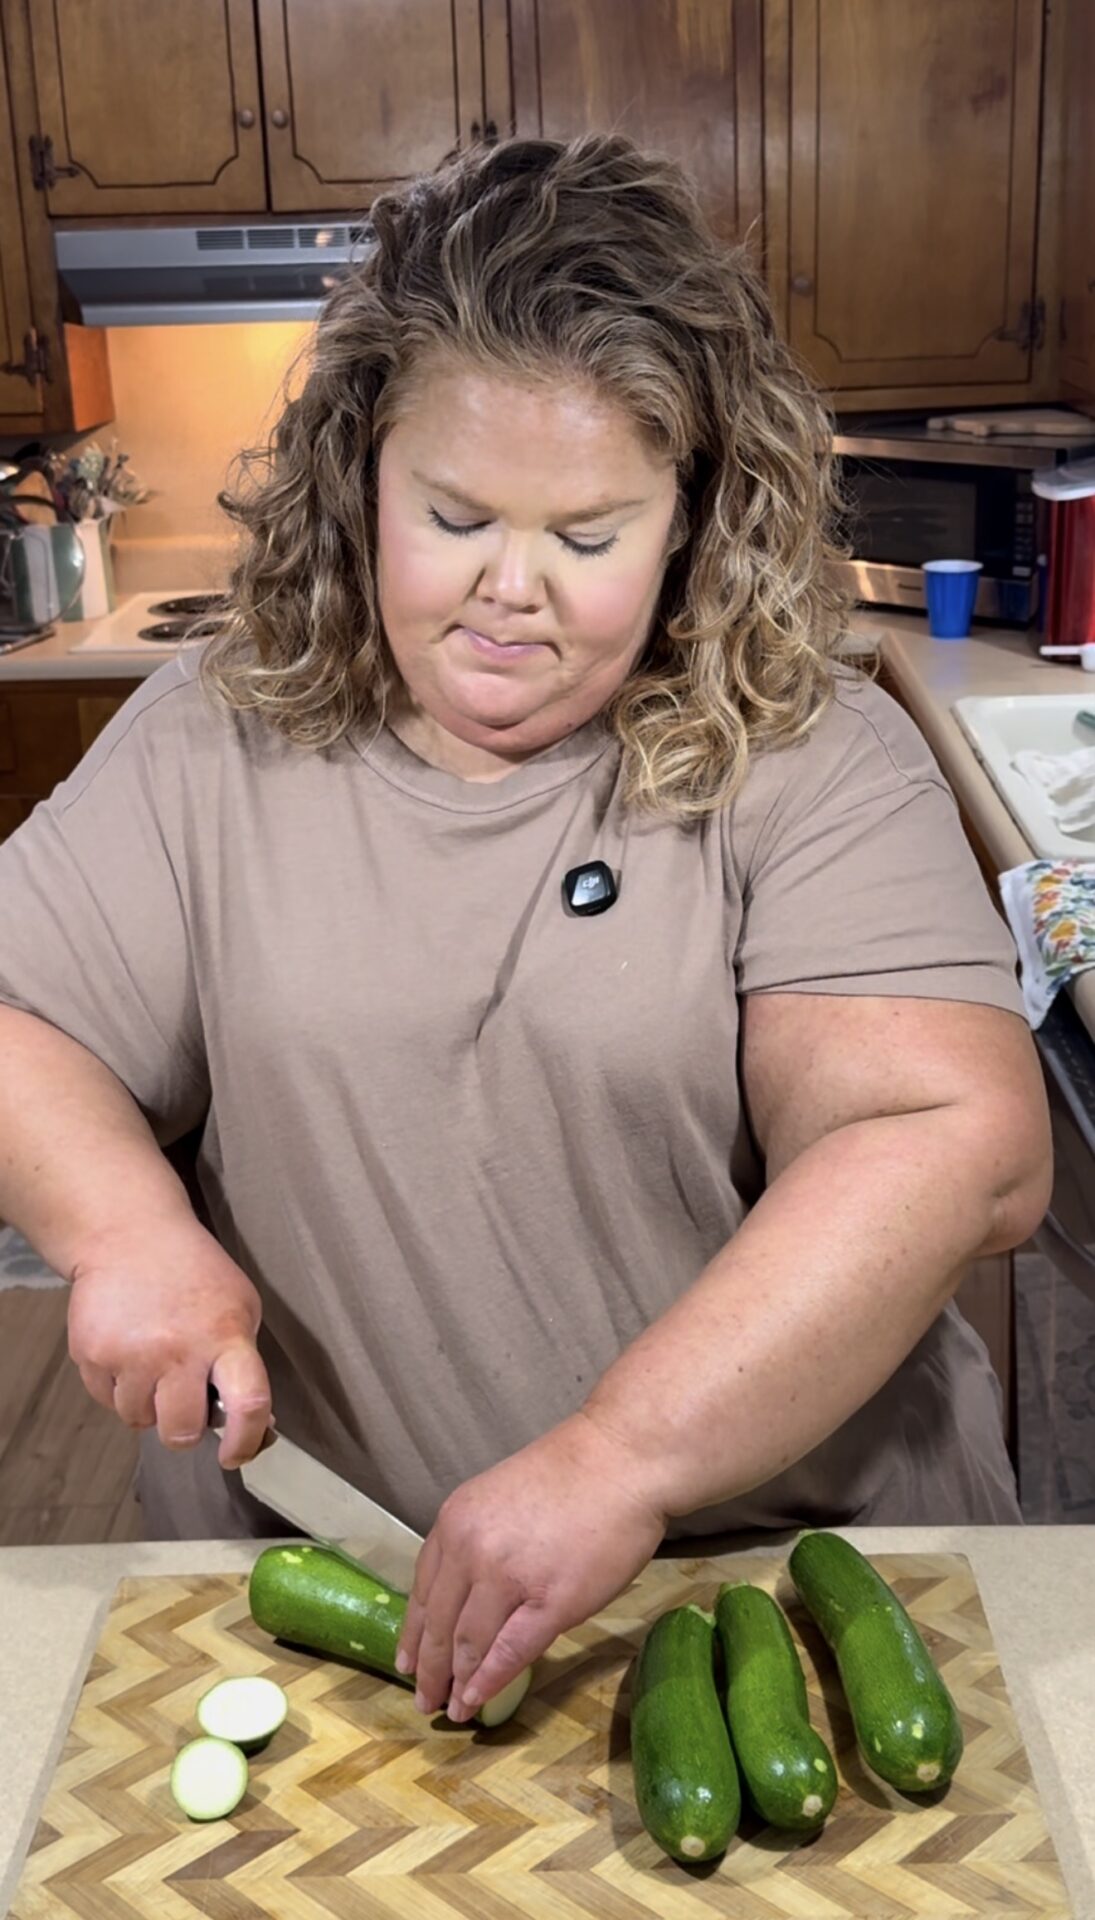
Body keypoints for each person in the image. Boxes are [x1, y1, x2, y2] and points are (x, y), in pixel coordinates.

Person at [0, 134, 1051, 1725]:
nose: (513, 594)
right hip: (329, 1601)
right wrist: (119, 1228)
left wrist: (619, 1456)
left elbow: (953, 1143)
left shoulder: (810, 755)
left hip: (790, 1593)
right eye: (456, 513)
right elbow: (26, 1024)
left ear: (691, 521)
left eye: (586, 536)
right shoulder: (213, 736)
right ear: (362, 472)